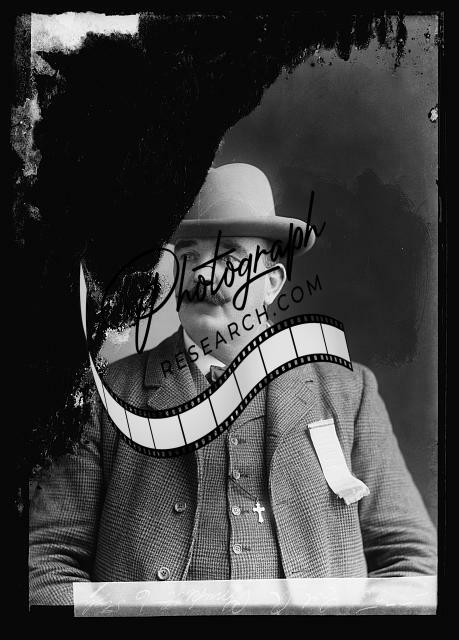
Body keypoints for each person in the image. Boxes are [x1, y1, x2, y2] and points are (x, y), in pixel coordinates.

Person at [29, 163, 437, 606]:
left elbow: (412, 563)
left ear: (272, 284)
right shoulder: (104, 396)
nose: (204, 276)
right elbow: (46, 562)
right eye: (188, 256)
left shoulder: (348, 392)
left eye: (230, 257)